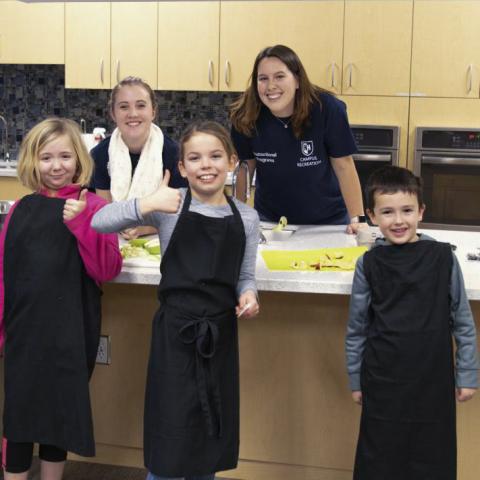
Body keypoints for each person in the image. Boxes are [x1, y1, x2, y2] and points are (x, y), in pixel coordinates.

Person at [92, 120, 260, 480]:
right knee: (170, 432)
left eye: (215, 156)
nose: (206, 165)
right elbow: (99, 222)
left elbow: (245, 276)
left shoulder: (246, 217)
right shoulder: (169, 207)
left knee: (209, 433)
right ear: (182, 168)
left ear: (231, 162)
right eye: (195, 158)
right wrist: (147, 202)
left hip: (220, 336)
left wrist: (249, 295)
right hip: (175, 334)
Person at [0, 118, 122, 480]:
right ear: (32, 162)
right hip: (24, 330)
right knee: (18, 416)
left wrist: (82, 224)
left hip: (72, 331)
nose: (57, 166)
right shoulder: (21, 209)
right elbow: (4, 271)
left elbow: (107, 268)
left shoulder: (97, 208)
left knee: (60, 415)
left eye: (65, 156)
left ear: (79, 158)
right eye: (47, 157)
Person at [345, 166, 478, 480]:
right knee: (379, 459)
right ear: (372, 216)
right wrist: (355, 378)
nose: (398, 220)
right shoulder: (368, 263)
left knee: (432, 458)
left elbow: (462, 320)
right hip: (381, 380)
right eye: (387, 212)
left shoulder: (444, 258)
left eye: (407, 210)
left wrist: (468, 372)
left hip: (434, 380)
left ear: (421, 211)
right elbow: (357, 327)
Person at [230, 44, 366, 232]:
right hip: (271, 222)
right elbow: (246, 167)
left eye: (279, 76)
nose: (271, 86)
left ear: (297, 80)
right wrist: (238, 215)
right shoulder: (245, 115)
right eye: (263, 79)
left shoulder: (327, 109)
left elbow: (344, 165)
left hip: (329, 221)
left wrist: (357, 219)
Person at [91, 76, 187, 239]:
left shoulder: (173, 153)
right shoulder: (100, 154)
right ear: (113, 114)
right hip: (114, 240)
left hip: (161, 240)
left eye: (141, 105)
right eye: (123, 107)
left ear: (153, 111)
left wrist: (146, 228)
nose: (133, 114)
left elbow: (182, 212)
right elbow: (104, 213)